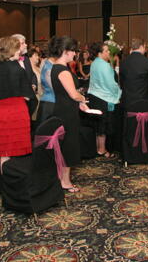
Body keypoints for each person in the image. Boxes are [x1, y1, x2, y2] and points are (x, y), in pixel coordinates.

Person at [0, 36, 37, 168]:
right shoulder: (18, 69)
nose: (19, 50)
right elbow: (30, 97)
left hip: (1, 112)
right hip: (18, 111)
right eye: (17, 48)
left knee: (4, 152)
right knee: (20, 153)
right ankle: (17, 183)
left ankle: (5, 184)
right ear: (11, 50)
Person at [50, 36, 88, 193]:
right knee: (68, 146)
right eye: (73, 51)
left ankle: (62, 178)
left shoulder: (56, 67)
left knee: (64, 145)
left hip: (63, 109)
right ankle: (65, 181)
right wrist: (82, 98)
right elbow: (73, 94)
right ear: (65, 51)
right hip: (66, 112)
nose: (75, 54)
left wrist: (80, 102)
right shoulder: (62, 70)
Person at [87, 42, 121, 158]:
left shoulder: (94, 63)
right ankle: (102, 149)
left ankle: (98, 148)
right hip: (103, 98)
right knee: (103, 125)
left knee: (98, 124)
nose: (109, 53)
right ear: (100, 53)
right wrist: (119, 92)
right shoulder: (104, 65)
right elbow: (111, 84)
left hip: (94, 96)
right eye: (106, 51)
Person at [119, 38, 148, 109]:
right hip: (143, 99)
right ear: (142, 46)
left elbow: (121, 81)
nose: (145, 50)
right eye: (145, 47)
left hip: (127, 100)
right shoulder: (147, 62)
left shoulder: (123, 62)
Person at [38, 44, 57, 122]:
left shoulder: (48, 64)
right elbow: (53, 87)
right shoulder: (48, 67)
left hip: (49, 102)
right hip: (49, 103)